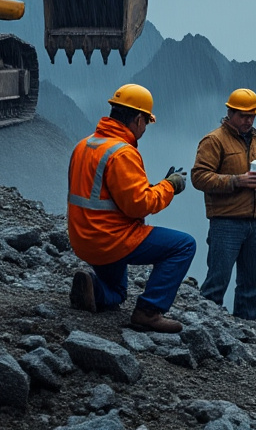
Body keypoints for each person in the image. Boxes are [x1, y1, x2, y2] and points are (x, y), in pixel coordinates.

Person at [67, 83, 195, 333]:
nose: (145, 128)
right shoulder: (122, 153)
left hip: (83, 238)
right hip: (111, 240)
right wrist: (170, 187)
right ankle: (149, 312)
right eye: (146, 122)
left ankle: (92, 287)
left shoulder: (84, 145)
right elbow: (139, 205)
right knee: (184, 245)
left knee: (116, 292)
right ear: (138, 119)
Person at [191, 88, 256, 319]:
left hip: (255, 223)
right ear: (230, 113)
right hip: (225, 222)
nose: (248, 120)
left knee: (252, 283)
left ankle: (245, 329)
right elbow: (199, 177)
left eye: (252, 116)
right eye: (243, 116)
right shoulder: (214, 140)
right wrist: (236, 181)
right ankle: (205, 327)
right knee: (217, 281)